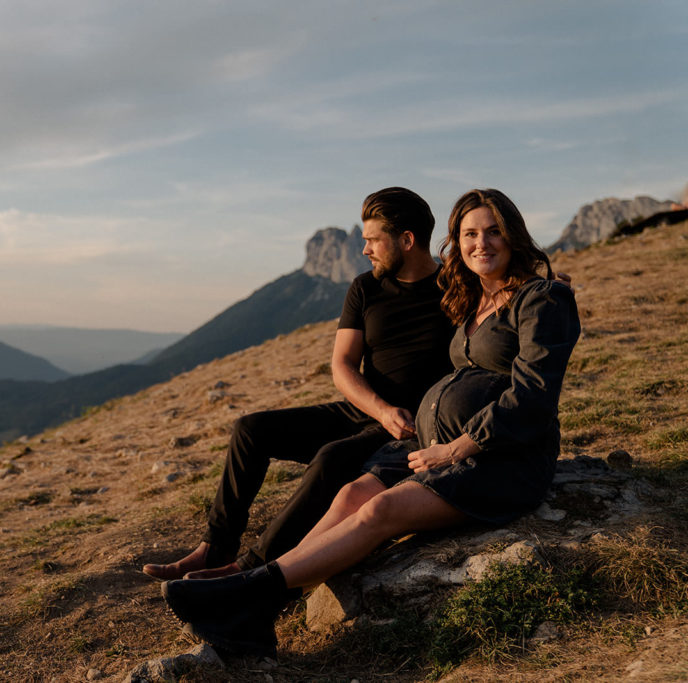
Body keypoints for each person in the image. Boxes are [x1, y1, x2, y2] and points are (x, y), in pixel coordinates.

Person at [160, 188, 581, 658]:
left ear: (513, 234)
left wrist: (456, 447)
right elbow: (352, 358)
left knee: (378, 511)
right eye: (469, 234)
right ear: (456, 242)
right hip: (432, 444)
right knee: (351, 495)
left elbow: (534, 395)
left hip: (497, 458)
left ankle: (247, 594)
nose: (480, 243)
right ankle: (257, 603)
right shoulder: (470, 297)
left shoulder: (540, 298)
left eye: (493, 231)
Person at [143, 187, 454, 580]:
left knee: (330, 459)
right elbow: (342, 365)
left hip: (411, 425)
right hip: (369, 409)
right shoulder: (365, 288)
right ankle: (214, 549)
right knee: (250, 429)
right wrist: (380, 409)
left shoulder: (455, 289)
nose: (364, 250)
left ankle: (250, 570)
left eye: (373, 240)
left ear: (407, 240)